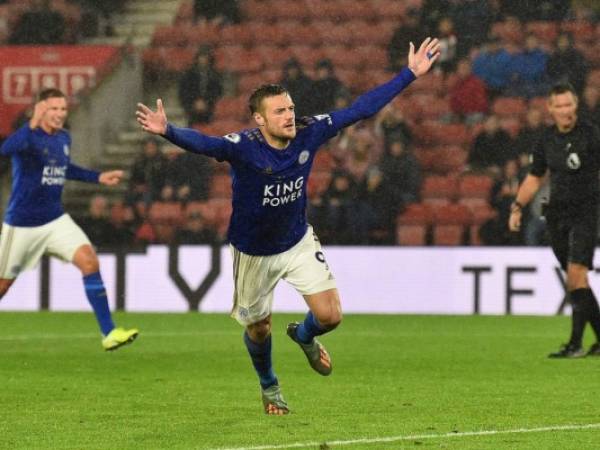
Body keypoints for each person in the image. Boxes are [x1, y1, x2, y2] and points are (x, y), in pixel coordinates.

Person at [136, 38, 440, 414]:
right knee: (259, 329)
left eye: (291, 108)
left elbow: (360, 109)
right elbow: (205, 143)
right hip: (253, 251)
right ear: (259, 120)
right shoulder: (243, 147)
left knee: (330, 316)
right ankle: (270, 386)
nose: (289, 116)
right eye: (279, 111)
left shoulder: (311, 132)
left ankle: (304, 334)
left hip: (296, 241)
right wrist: (168, 131)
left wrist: (408, 74)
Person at [0, 88, 138, 351]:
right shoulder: (29, 138)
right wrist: (31, 122)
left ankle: (109, 333)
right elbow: (7, 148)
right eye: (54, 108)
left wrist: (98, 177)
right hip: (22, 223)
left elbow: (65, 169)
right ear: (41, 109)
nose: (60, 114)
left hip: (55, 219)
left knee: (89, 260)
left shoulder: (63, 138)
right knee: (3, 285)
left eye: (63, 109)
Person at [508, 83, 600, 358]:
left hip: (586, 211)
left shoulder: (591, 135)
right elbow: (535, 177)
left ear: (576, 106)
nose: (564, 111)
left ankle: (574, 344)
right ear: (550, 109)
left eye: (568, 105)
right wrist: (517, 206)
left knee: (576, 276)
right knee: (576, 282)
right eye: (558, 106)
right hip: (557, 215)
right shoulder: (545, 139)